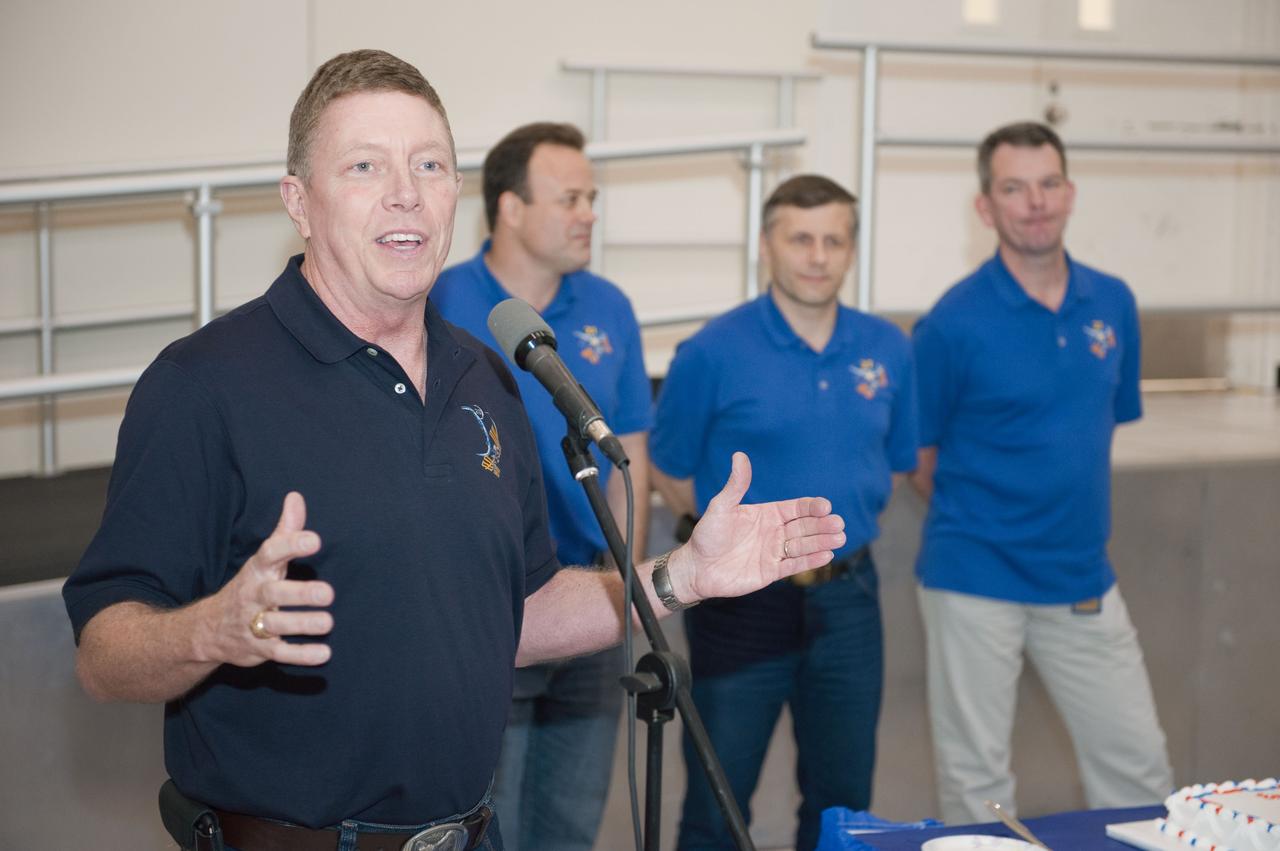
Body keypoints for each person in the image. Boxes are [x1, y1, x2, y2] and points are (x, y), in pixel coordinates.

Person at [60, 49, 848, 851]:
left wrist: (682, 578)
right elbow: (101, 652)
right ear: (299, 201)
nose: (406, 191)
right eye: (365, 165)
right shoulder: (204, 383)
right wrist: (212, 631)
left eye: (429, 164)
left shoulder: (489, 378)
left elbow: (520, 613)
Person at [910, 121, 1173, 825]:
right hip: (974, 578)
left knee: (1138, 766)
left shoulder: (1112, 303)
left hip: (1081, 577)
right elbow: (920, 457)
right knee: (979, 786)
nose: (1035, 202)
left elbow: (1094, 428)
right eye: (1014, 188)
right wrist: (994, 524)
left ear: (1071, 192)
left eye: (1049, 184)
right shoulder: (951, 322)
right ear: (985, 207)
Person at [650, 175, 918, 851]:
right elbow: (668, 467)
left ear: (852, 248)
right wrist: (740, 544)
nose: (818, 255)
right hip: (741, 605)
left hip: (849, 599)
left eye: (834, 239)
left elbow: (893, 458)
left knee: (843, 805)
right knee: (718, 805)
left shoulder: (888, 349)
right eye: (801, 238)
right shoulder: (712, 351)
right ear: (768, 244)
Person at [431, 121, 650, 851]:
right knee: (491, 826)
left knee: (567, 826)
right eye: (569, 198)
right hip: (484, 614)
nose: (589, 212)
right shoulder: (436, 301)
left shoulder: (610, 306)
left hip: (589, 605)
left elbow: (632, 455)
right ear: (509, 208)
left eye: (591, 197)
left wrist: (627, 588)